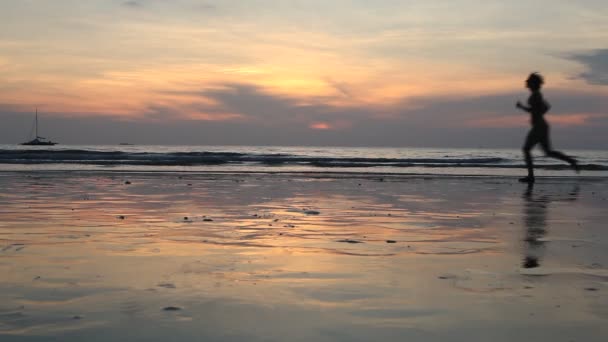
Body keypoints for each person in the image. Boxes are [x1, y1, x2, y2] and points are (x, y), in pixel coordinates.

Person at [516, 72, 579, 183]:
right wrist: (538, 114)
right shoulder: (537, 94)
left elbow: (535, 109)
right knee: (548, 152)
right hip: (542, 126)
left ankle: (531, 177)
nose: (527, 82)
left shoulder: (536, 95)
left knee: (526, 149)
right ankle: (571, 161)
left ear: (533, 83)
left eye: (529, 81)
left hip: (539, 127)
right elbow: (546, 107)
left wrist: (522, 107)